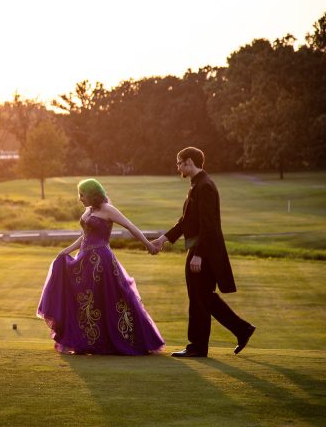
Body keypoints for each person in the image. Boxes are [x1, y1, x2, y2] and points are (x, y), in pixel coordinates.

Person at [37, 178, 164, 355]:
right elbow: (85, 236)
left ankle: (123, 341)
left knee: (109, 300)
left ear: (92, 194)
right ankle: (84, 341)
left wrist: (148, 244)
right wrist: (67, 250)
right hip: (84, 260)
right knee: (83, 301)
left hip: (101, 262)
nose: (80, 198)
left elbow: (129, 226)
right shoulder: (89, 210)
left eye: (82, 194)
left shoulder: (108, 210)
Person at [151, 146, 255, 358]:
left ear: (189, 161)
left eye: (179, 162)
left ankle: (197, 347)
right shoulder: (197, 185)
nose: (177, 166)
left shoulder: (205, 186)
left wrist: (198, 254)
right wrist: (164, 239)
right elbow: (186, 221)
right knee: (204, 298)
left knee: (199, 299)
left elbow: (209, 225)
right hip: (201, 250)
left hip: (203, 252)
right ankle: (242, 329)